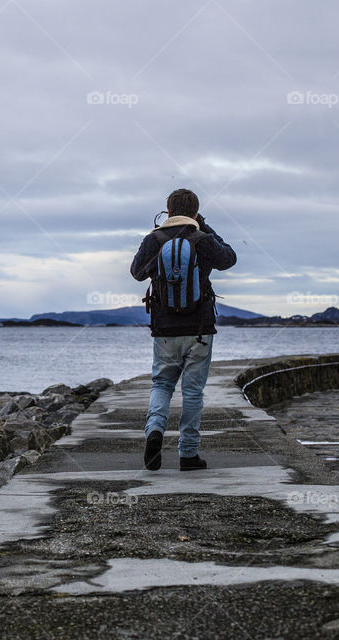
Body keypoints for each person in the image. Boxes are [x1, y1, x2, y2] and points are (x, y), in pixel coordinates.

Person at [130, 189, 236, 471]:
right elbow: (229, 258)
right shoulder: (202, 239)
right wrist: (203, 225)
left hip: (164, 329)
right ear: (195, 211)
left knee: (162, 384)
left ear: (167, 210)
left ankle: (154, 432)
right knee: (192, 393)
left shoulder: (154, 240)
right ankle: (188, 454)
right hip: (200, 328)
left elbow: (136, 272)